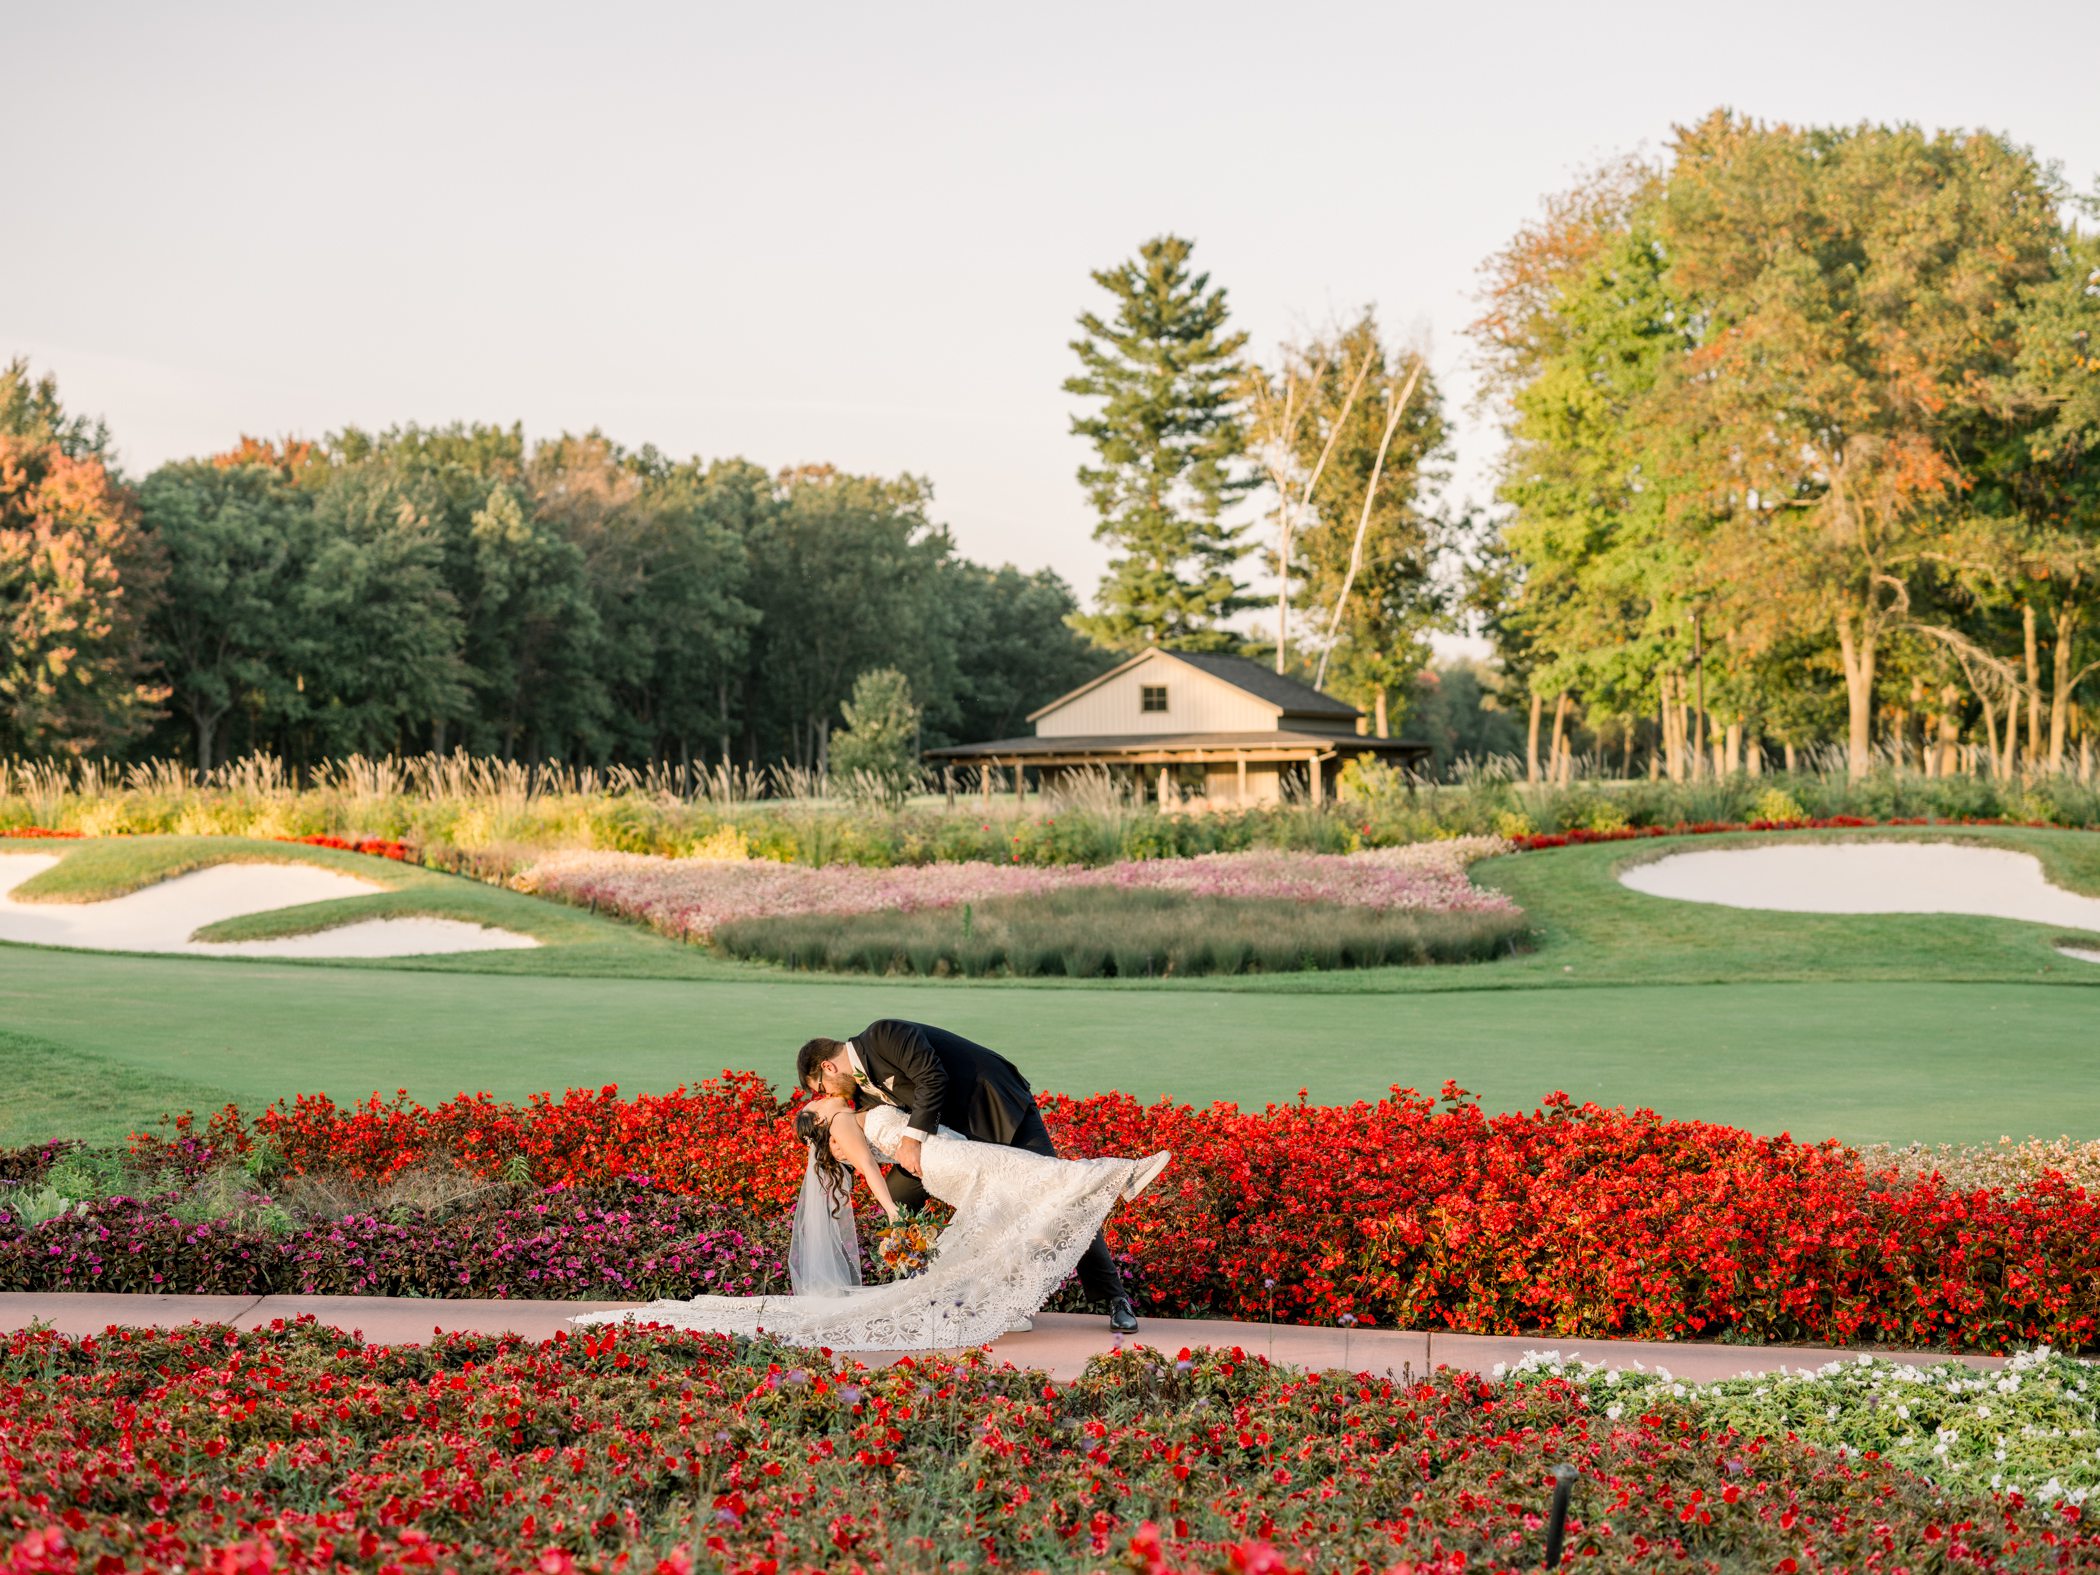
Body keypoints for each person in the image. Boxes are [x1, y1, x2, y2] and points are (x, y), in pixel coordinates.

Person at [571, 1073, 1169, 1353]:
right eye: (821, 1094)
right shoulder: (843, 1123)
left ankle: (1108, 1185)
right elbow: (871, 1173)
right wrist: (896, 1219)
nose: (829, 1091)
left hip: (950, 1154)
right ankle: (1120, 1174)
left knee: (1028, 1190)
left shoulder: (859, 1108)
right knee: (1031, 1177)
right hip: (942, 1160)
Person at [799, 1019, 1145, 1333]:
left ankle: (1115, 1298)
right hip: (950, 1146)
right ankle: (930, 1296)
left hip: (997, 1110)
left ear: (828, 1066)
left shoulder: (884, 1035)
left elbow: (933, 1077)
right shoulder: (857, 1093)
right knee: (899, 1201)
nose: (826, 1095)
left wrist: (909, 1141)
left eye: (821, 1087)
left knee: (1059, 1192)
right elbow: (862, 1137)